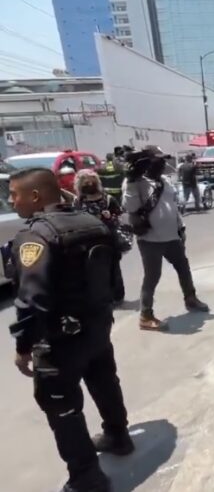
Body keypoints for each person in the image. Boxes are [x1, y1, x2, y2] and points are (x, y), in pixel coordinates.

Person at [8, 168, 133, 492]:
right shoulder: (94, 224)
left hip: (61, 339)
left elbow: (31, 301)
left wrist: (23, 348)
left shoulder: (35, 236)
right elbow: (116, 282)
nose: (11, 200)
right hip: (98, 325)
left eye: (14, 194)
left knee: (60, 403)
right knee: (104, 381)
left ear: (35, 195)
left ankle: (87, 477)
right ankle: (119, 437)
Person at [123, 147, 209, 331]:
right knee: (152, 277)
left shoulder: (164, 181)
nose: (162, 164)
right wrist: (131, 182)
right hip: (150, 239)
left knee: (183, 267)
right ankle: (146, 316)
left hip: (172, 237)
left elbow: (173, 206)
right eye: (158, 161)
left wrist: (181, 227)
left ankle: (191, 299)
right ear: (147, 163)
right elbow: (130, 207)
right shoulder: (135, 182)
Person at [73, 169, 126, 304]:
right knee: (94, 271)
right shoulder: (78, 202)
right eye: (85, 182)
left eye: (92, 181)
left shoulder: (107, 198)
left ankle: (117, 296)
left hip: (109, 239)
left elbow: (121, 217)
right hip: (88, 241)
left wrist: (110, 217)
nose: (89, 184)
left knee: (114, 269)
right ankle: (102, 297)